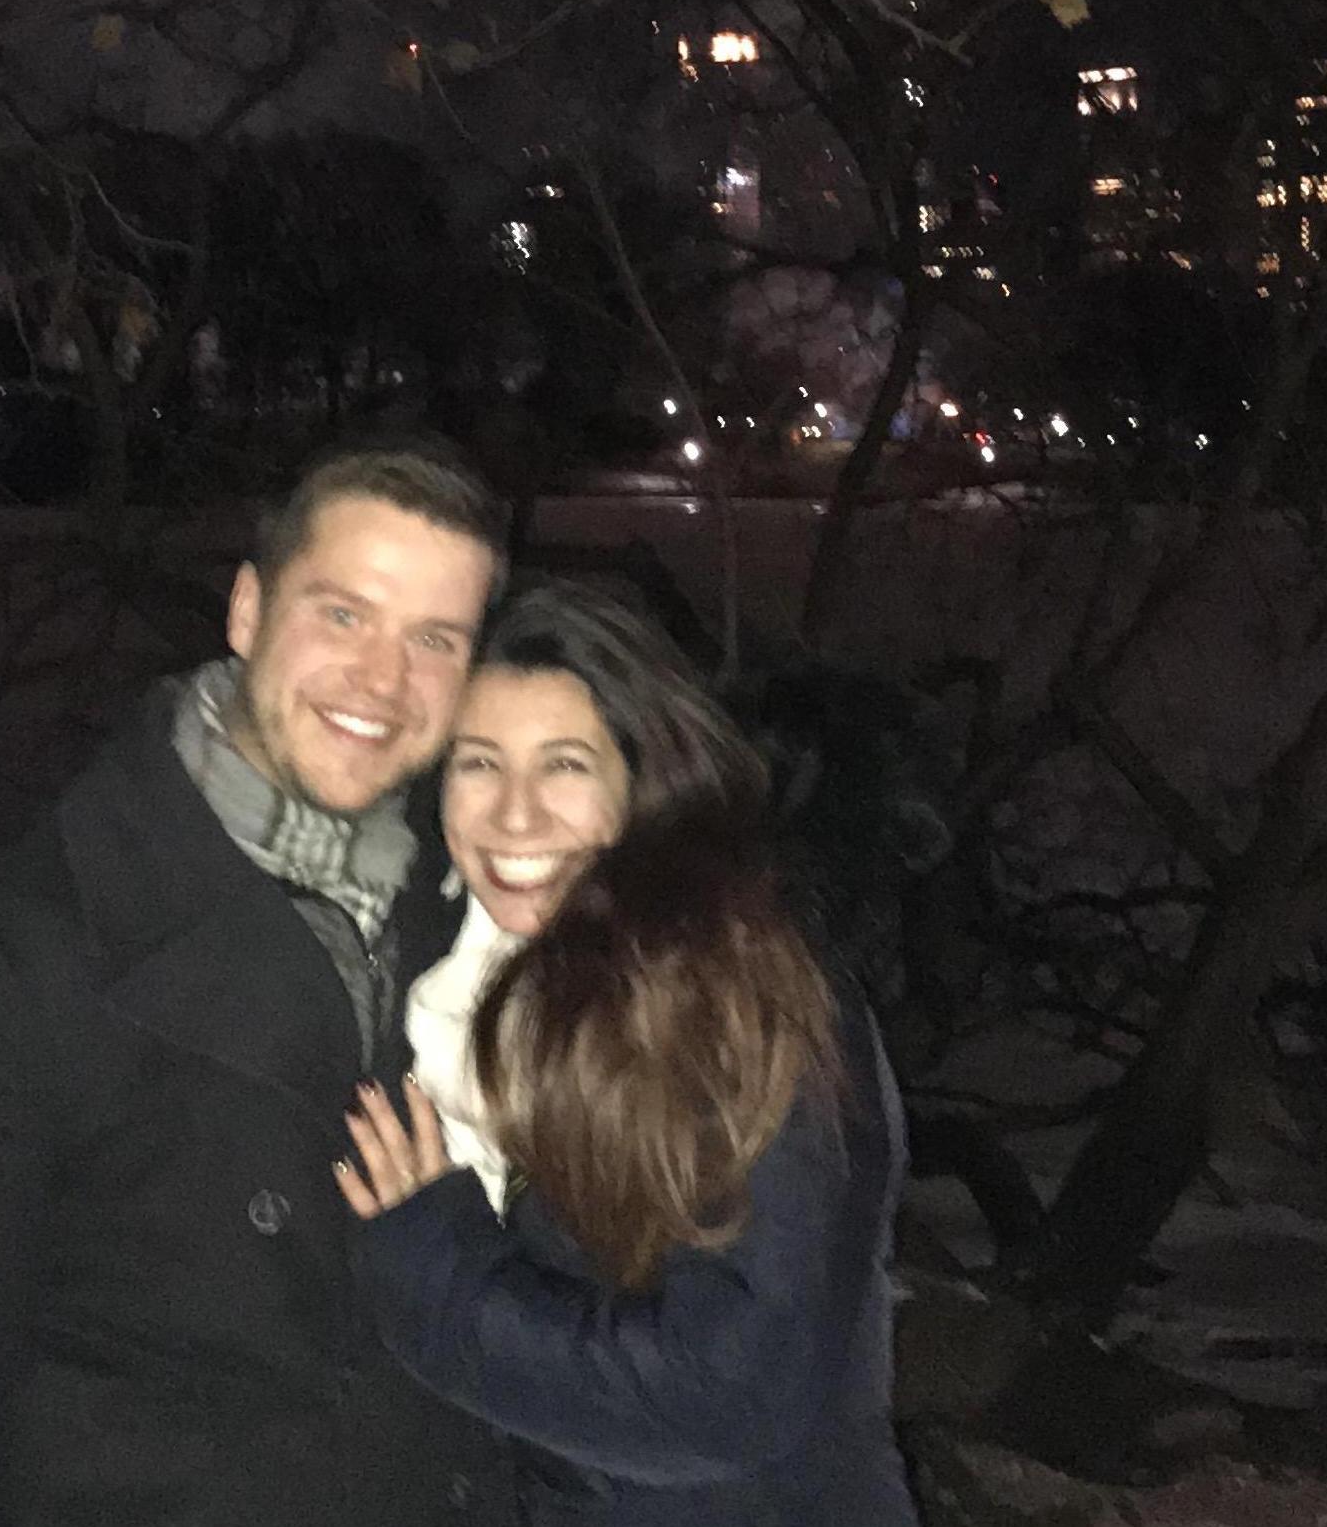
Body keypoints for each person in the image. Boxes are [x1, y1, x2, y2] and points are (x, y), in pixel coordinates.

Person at [0, 444, 520, 1527]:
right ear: (247, 611)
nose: (383, 678)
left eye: (433, 639)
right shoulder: (21, 944)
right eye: (343, 614)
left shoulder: (467, 919)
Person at [336, 579, 917, 1526]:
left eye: (564, 765)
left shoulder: (737, 994)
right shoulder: (444, 981)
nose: (514, 814)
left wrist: (435, 1270)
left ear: (642, 782)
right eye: (479, 762)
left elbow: (732, 1390)